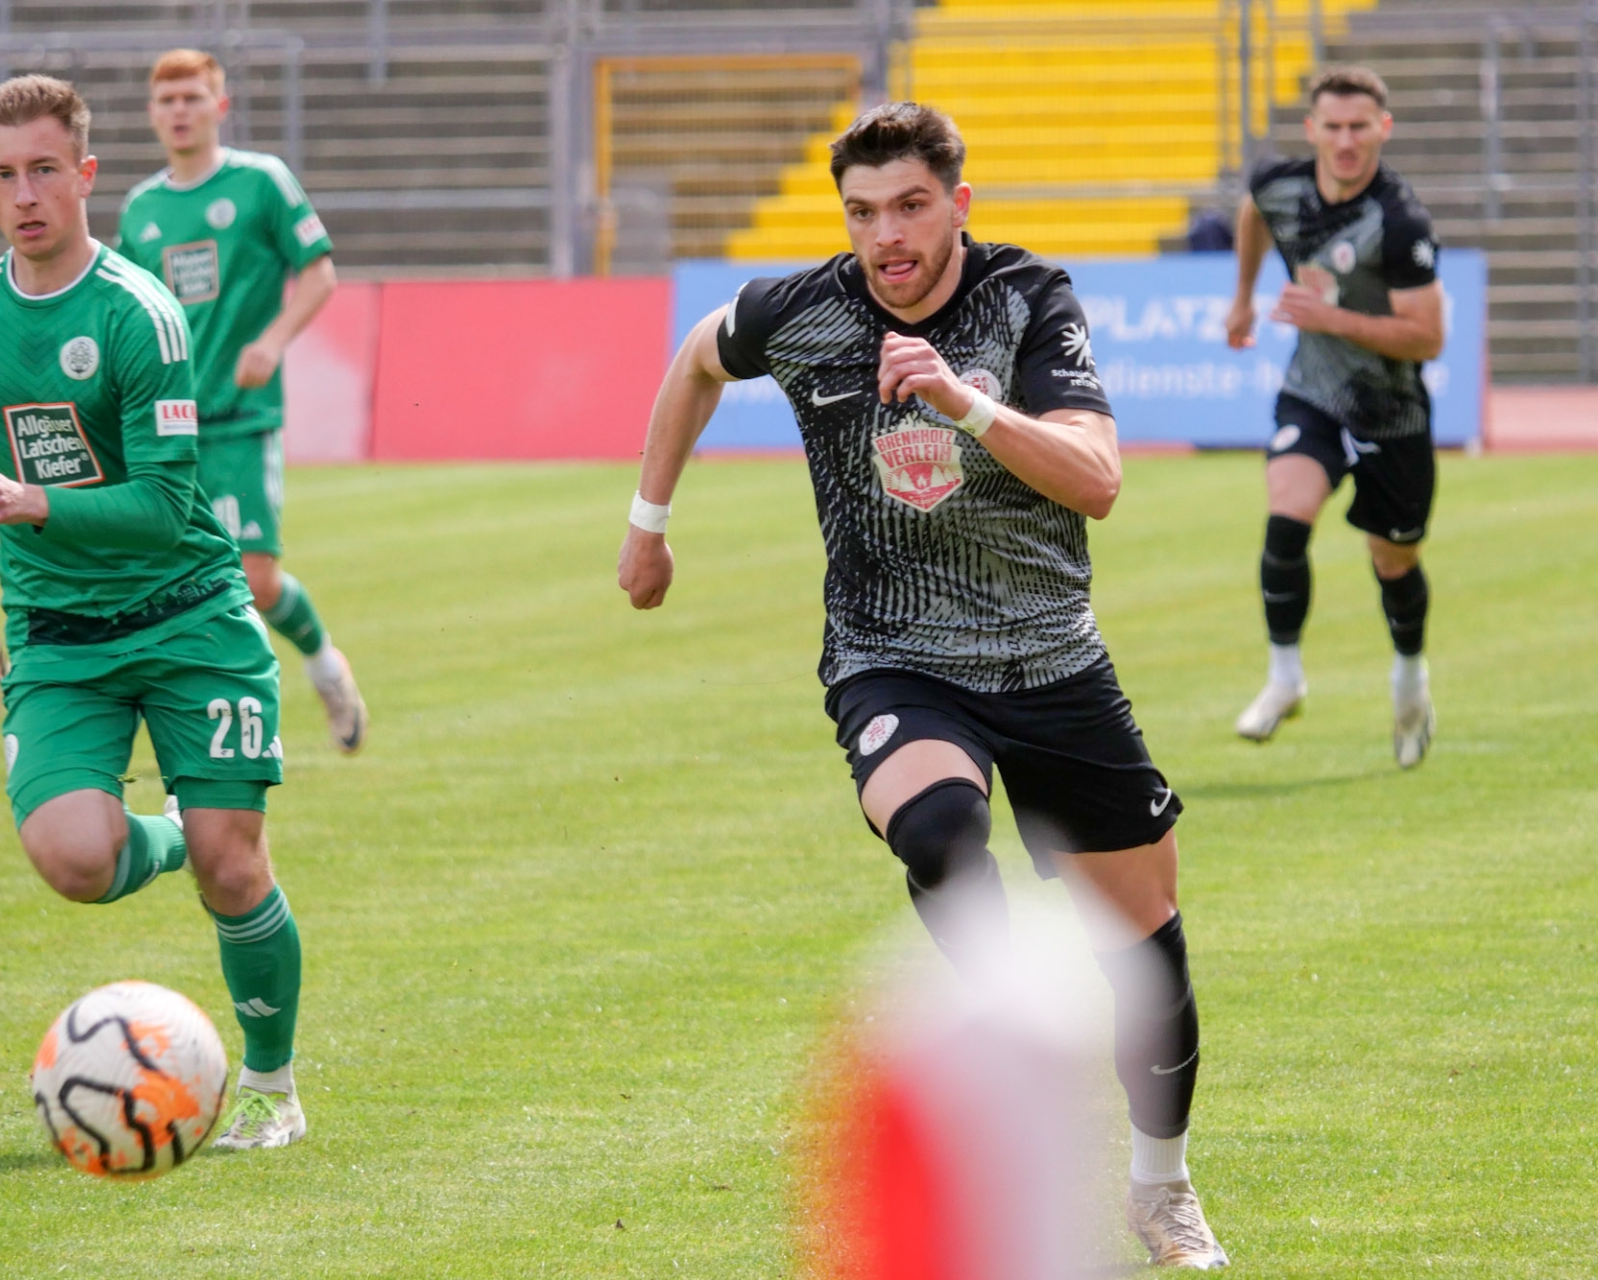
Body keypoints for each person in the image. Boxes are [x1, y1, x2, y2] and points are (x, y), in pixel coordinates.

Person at [618, 103, 1229, 1270]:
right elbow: (696, 358)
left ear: (959, 203)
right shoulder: (801, 311)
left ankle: (1160, 1184)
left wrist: (962, 399)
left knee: (1149, 951)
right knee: (941, 829)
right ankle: (1011, 1051)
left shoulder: (1027, 298)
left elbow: (1099, 480)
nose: (886, 235)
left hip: (1050, 660)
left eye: (909, 206)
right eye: (862, 212)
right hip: (893, 656)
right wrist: (649, 522)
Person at [0, 75, 306, 1149]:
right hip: (59, 634)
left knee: (237, 866)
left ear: (86, 174)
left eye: (44, 170)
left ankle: (270, 1086)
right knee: (73, 861)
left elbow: (165, 504)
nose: (23, 195)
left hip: (189, 615)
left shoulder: (140, 312)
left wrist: (34, 501)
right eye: (2, 175)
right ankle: (172, 832)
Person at [116, 48, 367, 753]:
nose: (180, 111)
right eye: (168, 101)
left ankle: (324, 665)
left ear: (220, 107)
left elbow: (319, 272)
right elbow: (128, 314)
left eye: (193, 98)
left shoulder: (260, 183)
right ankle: (193, 734)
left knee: (256, 581)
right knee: (167, 586)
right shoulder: (141, 209)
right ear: (152, 114)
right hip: (167, 430)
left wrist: (273, 341)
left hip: (242, 420)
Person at [1226, 66, 1445, 768]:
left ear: (1384, 128)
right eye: (1334, 126)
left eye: (1360, 127)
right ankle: (1285, 676)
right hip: (1313, 392)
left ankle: (1410, 679)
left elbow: (1428, 337)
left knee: (1393, 561)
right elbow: (1253, 212)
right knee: (1286, 519)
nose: (1346, 141)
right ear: (1313, 128)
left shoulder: (1401, 221)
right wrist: (1243, 296)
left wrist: (1332, 319)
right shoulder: (1280, 184)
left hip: (1390, 411)